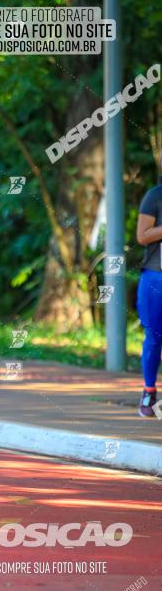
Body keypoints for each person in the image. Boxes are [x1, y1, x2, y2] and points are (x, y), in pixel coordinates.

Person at [136, 156, 162, 416]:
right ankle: (149, 392)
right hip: (157, 277)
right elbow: (142, 236)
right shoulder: (155, 196)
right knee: (154, 337)